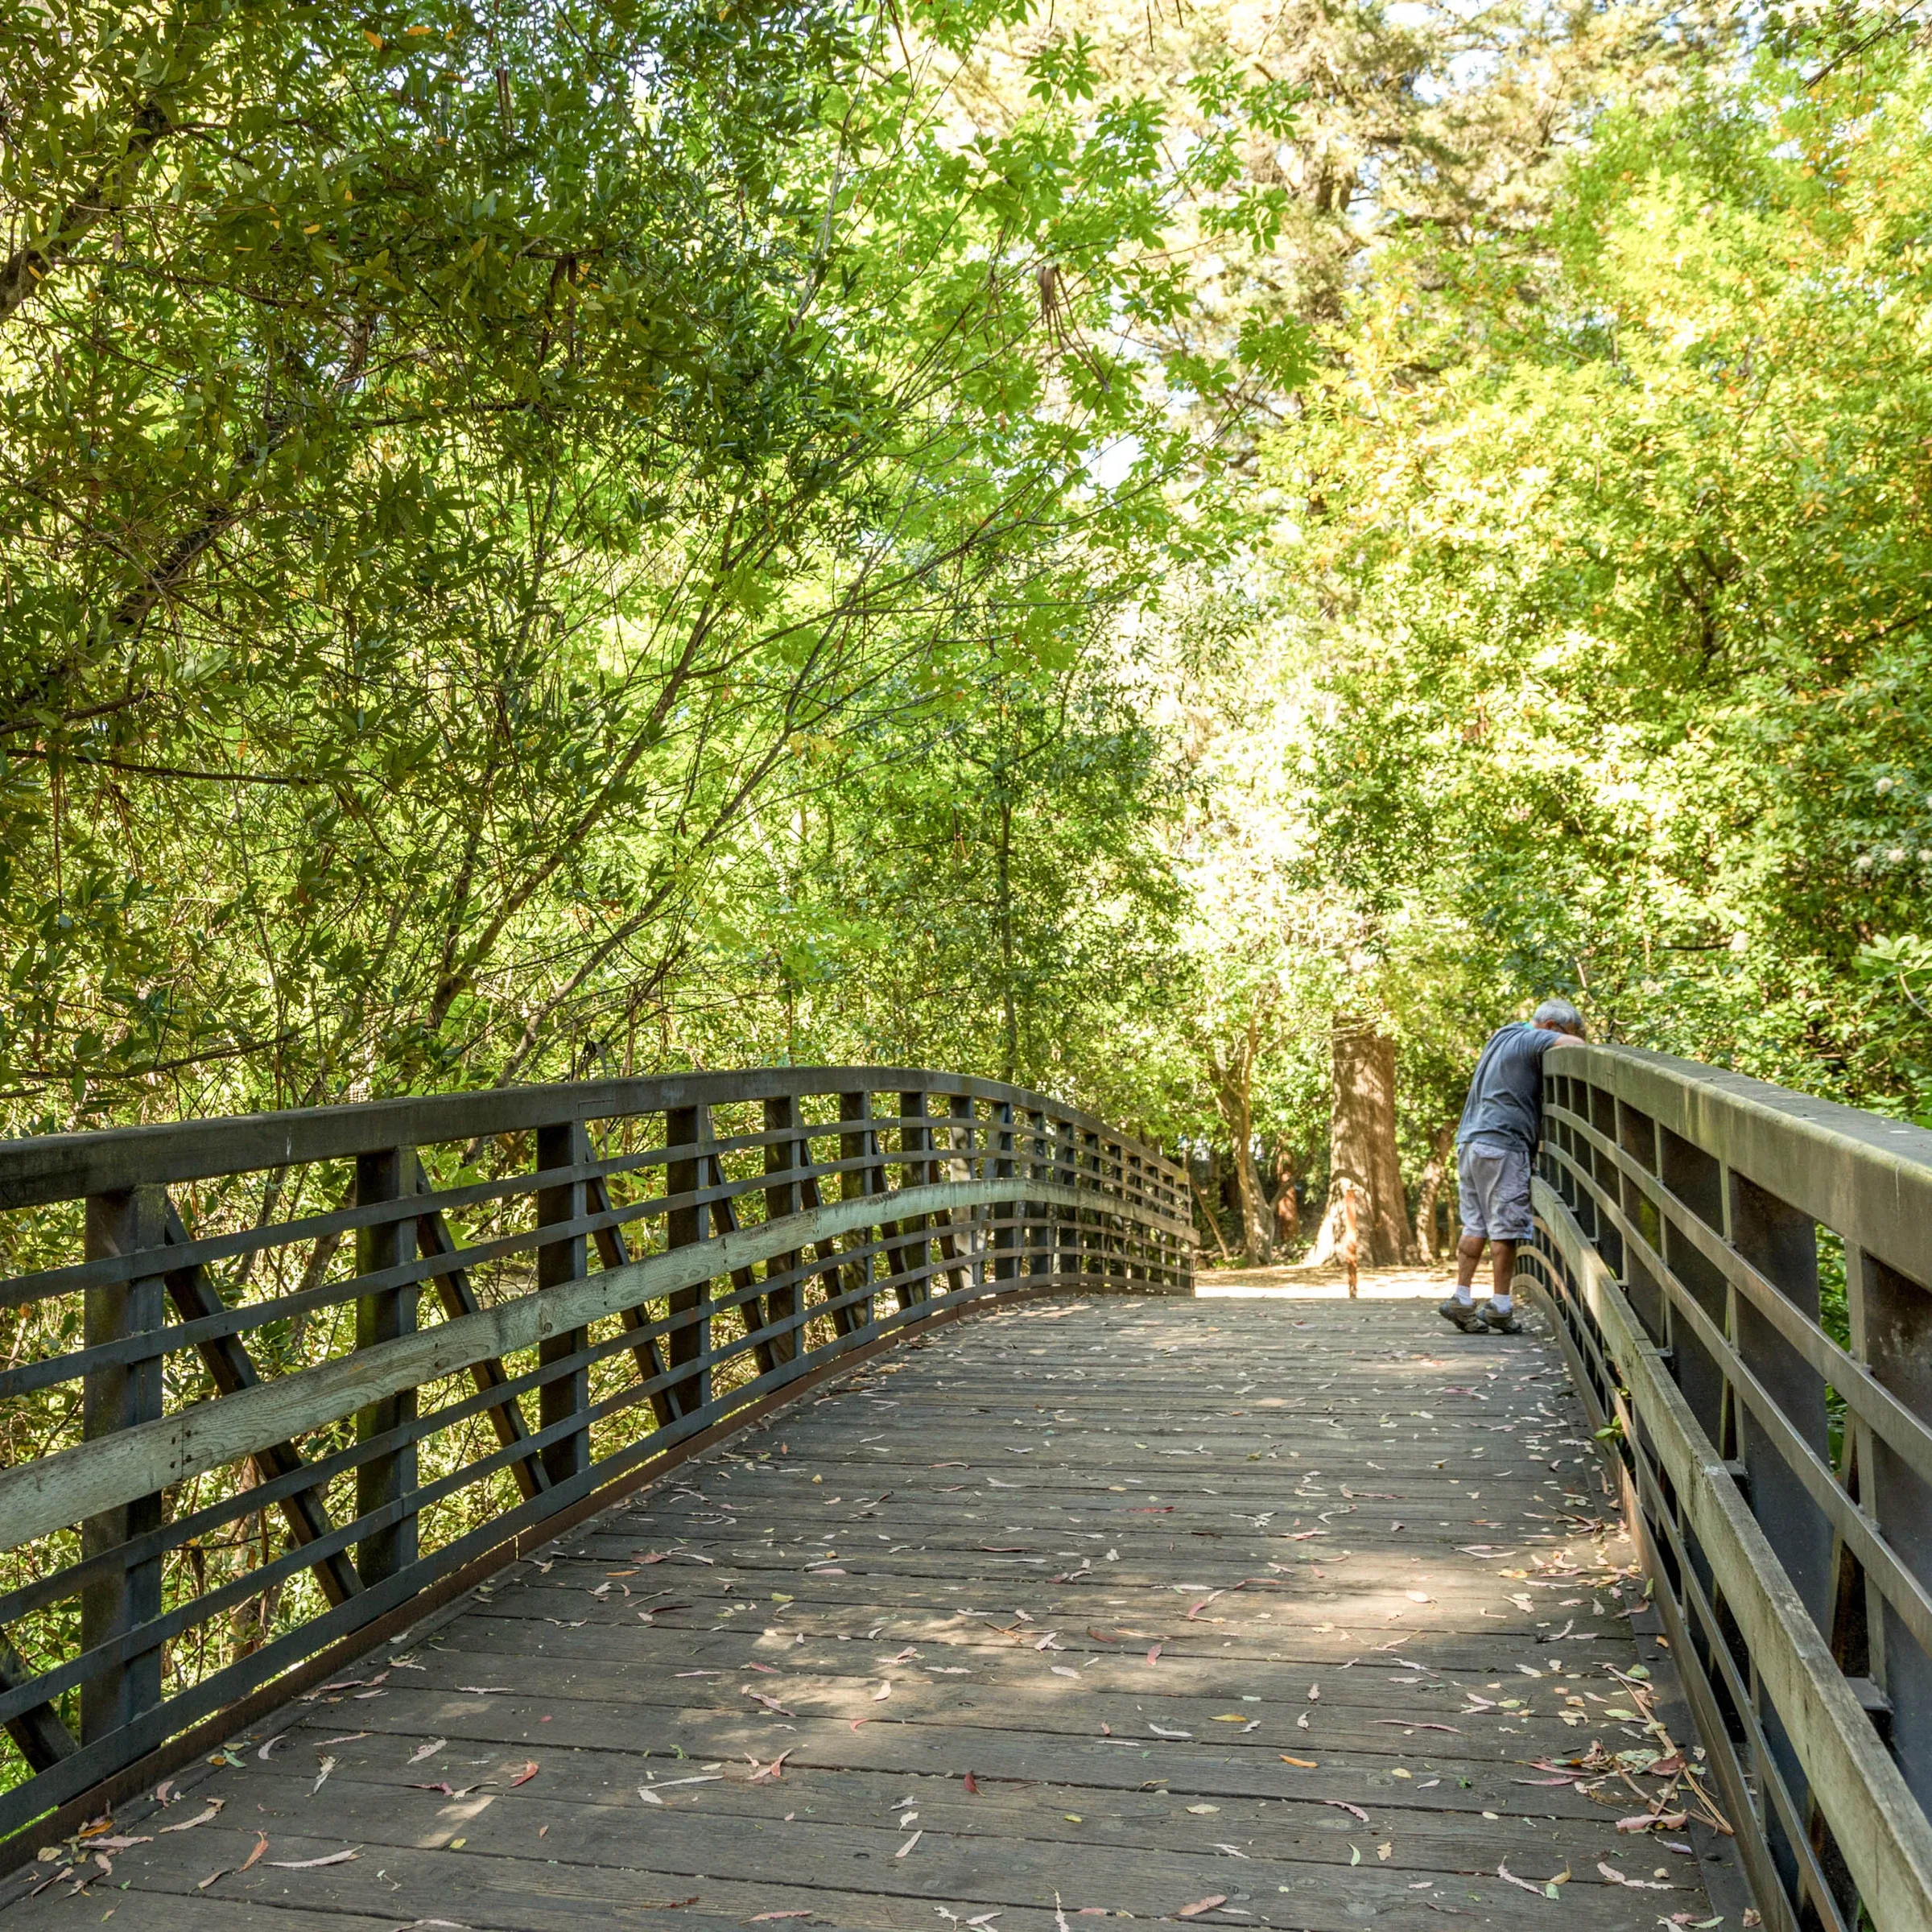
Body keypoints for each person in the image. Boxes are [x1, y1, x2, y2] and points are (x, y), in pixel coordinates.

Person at [1440, 998, 1587, 1335]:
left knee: (1475, 1223)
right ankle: (1501, 1307)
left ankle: (1462, 1299)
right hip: (1502, 1143)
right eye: (1565, 1029)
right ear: (1550, 1026)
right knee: (1506, 1228)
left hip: (1472, 1141)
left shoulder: (1505, 1033)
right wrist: (1577, 1039)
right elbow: (1575, 1046)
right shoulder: (1534, 1038)